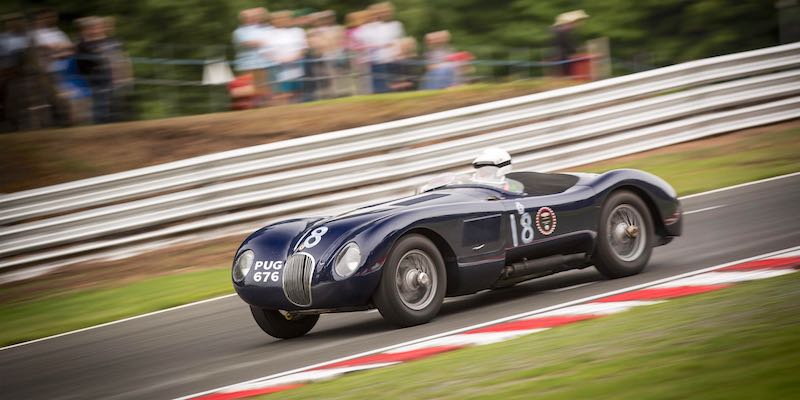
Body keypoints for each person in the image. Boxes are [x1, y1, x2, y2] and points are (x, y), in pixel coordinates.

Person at [75, 16, 113, 124]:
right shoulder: (82, 43)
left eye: (98, 27)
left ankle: (104, 123)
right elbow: (94, 58)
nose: (96, 29)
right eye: (93, 27)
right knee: (98, 102)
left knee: (104, 101)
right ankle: (99, 124)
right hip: (92, 77)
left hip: (103, 75)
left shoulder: (97, 42)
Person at [232, 8, 271, 106]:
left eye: (253, 17)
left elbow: (270, 40)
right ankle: (249, 109)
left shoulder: (261, 29)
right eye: (249, 17)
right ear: (243, 19)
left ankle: (264, 108)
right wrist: (262, 41)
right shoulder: (239, 32)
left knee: (263, 89)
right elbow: (249, 43)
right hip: (246, 65)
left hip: (262, 63)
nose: (252, 19)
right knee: (248, 89)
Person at [551, 9, 589, 76]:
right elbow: (568, 45)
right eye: (576, 22)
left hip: (562, 57)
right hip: (563, 58)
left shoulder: (562, 31)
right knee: (566, 76)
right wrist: (577, 49)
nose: (578, 24)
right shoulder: (562, 32)